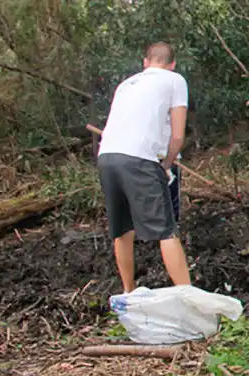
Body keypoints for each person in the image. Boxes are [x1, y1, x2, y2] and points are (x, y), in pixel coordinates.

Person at [97, 42, 191, 294]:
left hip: (106, 156)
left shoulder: (126, 85)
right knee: (166, 230)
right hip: (138, 158)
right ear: (172, 64)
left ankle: (128, 291)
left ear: (145, 62)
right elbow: (178, 137)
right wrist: (167, 165)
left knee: (122, 230)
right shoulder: (174, 80)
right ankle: (190, 298)